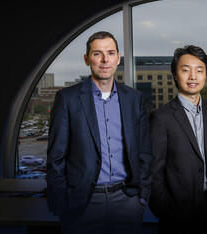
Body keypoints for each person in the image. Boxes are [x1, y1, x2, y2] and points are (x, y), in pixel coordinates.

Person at [46, 31, 153, 234]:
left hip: (127, 202)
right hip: (82, 204)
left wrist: (141, 198)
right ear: (87, 59)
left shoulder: (134, 99)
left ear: (118, 58)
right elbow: (55, 157)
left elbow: (144, 152)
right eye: (97, 54)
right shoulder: (67, 99)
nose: (105, 60)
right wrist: (62, 204)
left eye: (110, 53)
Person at [149, 45, 207, 233]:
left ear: (206, 76)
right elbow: (154, 171)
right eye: (186, 70)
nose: (193, 76)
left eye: (199, 70)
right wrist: (163, 209)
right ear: (175, 75)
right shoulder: (161, 118)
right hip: (176, 214)